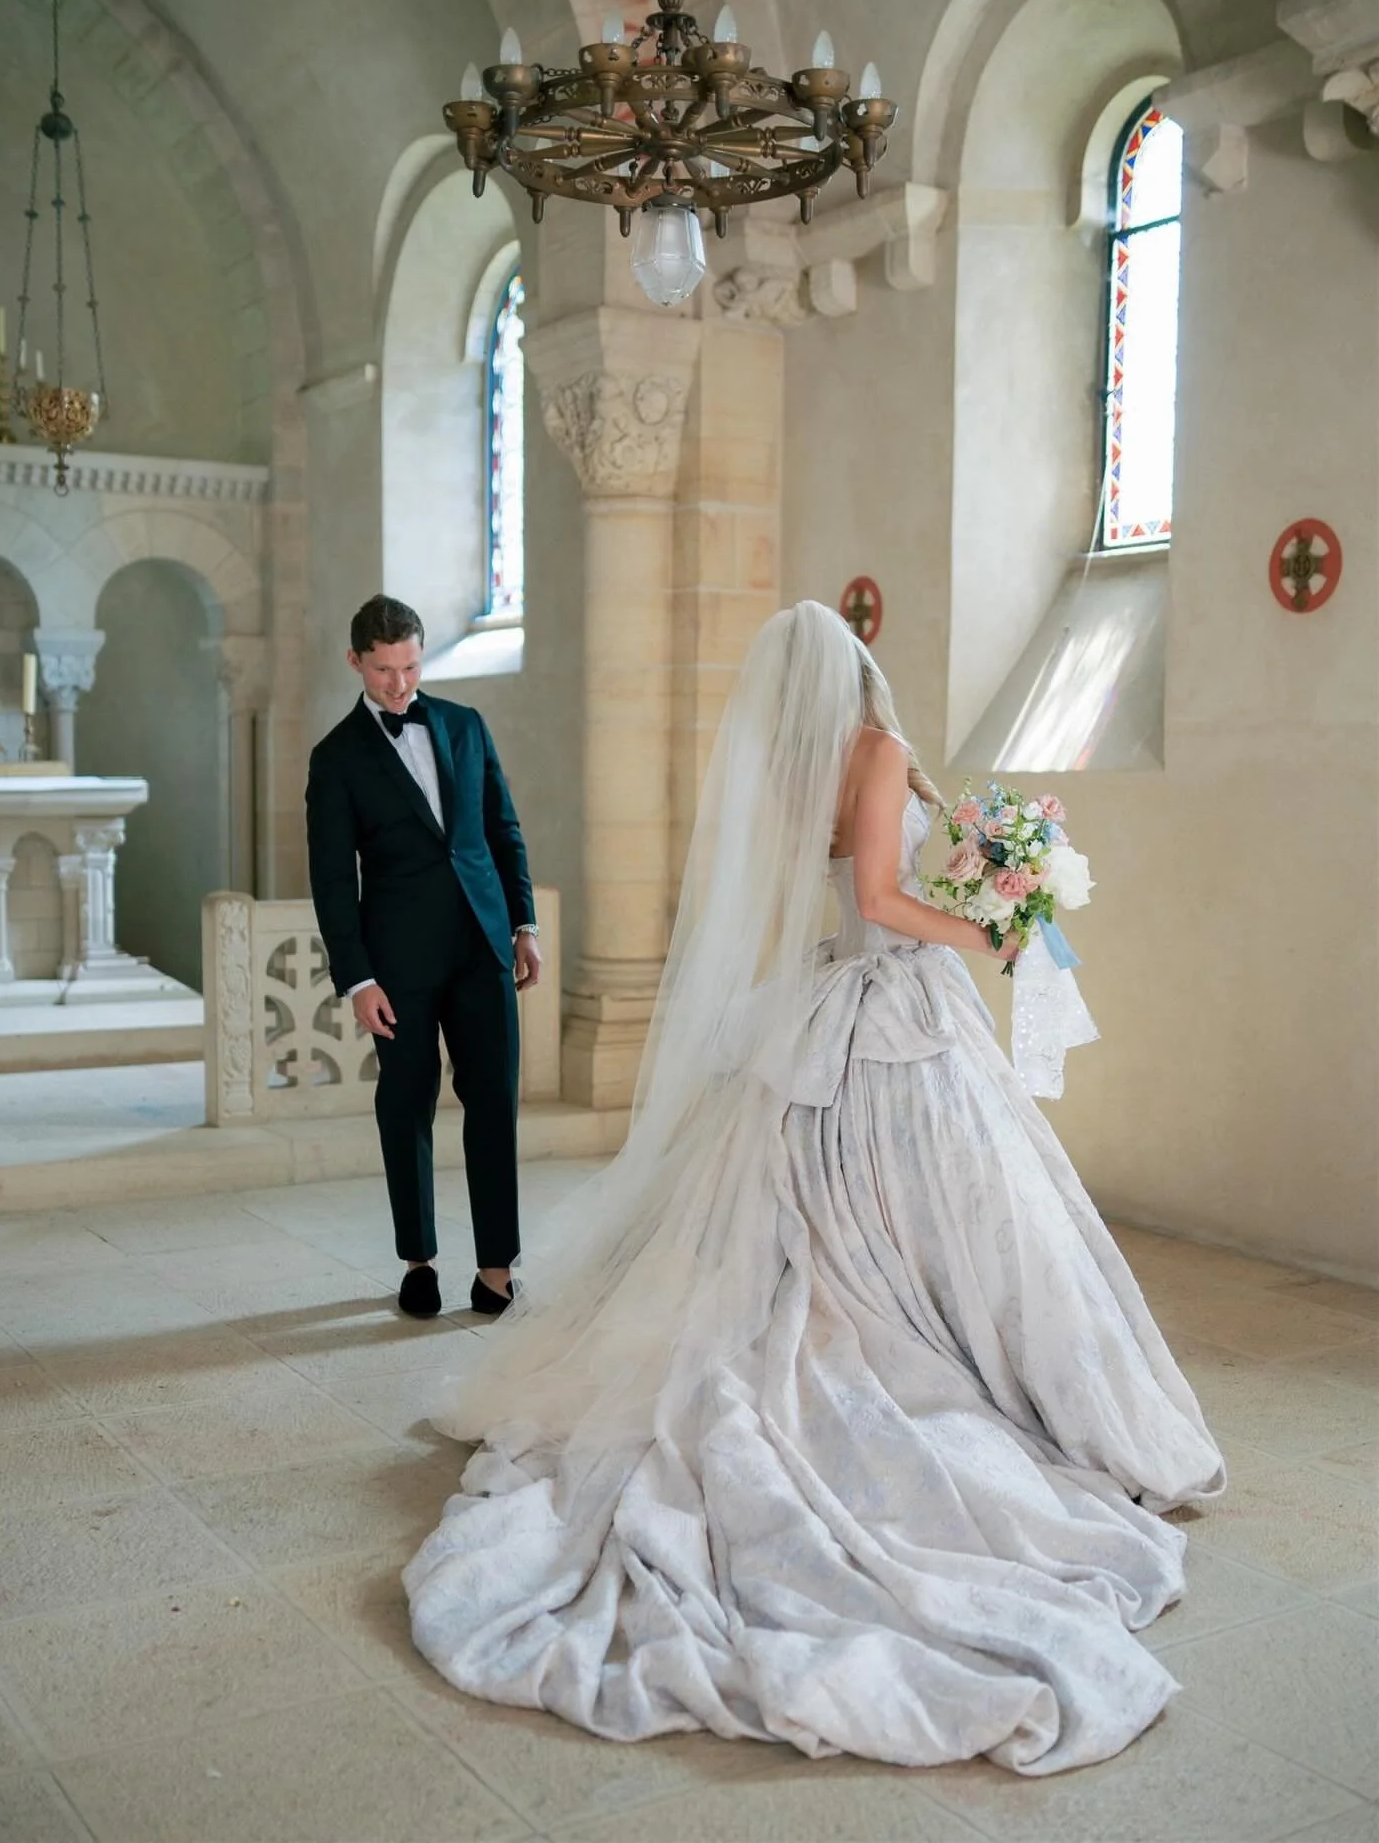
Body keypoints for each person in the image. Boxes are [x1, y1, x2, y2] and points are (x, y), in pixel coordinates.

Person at [403, 600, 1224, 1775]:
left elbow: (838, 888)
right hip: (897, 1003)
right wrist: (986, 932)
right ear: (857, 668)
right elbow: (886, 904)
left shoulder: (801, 774)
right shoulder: (879, 750)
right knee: (957, 1211)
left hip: (829, 1002)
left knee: (814, 1217)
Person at [306, 594, 540, 1320]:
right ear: (356, 663)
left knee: (494, 1099)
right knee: (405, 1105)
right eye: (383, 672)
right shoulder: (336, 757)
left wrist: (523, 924)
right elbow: (331, 880)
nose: (400, 684)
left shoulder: (466, 726)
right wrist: (358, 979)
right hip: (396, 964)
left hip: (482, 944)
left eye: (409, 667)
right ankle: (419, 1263)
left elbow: (502, 829)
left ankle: (496, 1269)